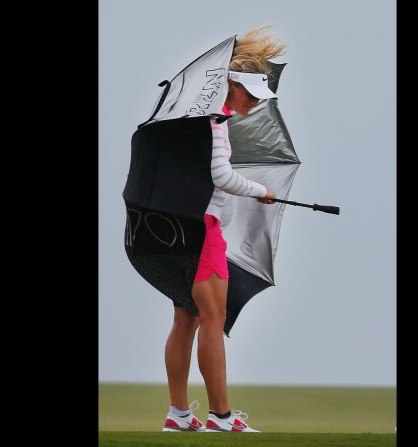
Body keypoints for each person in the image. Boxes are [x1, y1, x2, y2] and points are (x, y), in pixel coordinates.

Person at [161, 25, 286, 433]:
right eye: (249, 95)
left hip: (177, 227)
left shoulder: (191, 119)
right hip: (203, 229)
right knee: (213, 317)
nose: (253, 104)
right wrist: (260, 190)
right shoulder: (213, 121)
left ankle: (179, 415)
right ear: (230, 85)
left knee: (186, 317)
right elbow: (222, 176)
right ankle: (222, 417)